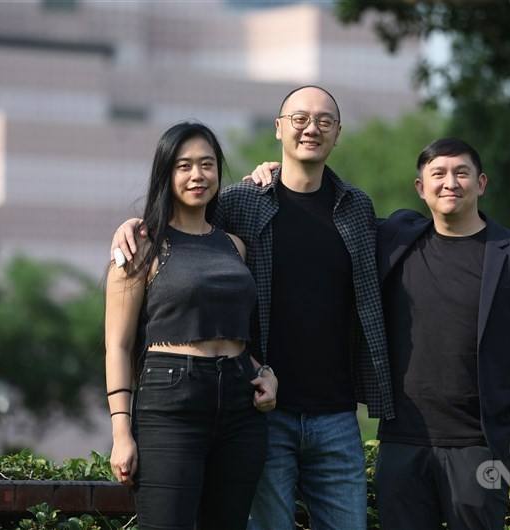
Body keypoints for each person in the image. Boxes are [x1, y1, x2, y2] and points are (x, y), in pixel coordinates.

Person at [111, 86, 394, 530]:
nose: (311, 128)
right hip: (262, 411)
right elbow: (186, 226)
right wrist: (135, 226)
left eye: (325, 120)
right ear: (278, 128)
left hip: (336, 413)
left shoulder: (356, 207)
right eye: (299, 118)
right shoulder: (243, 202)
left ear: (338, 133)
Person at [374, 138, 510, 530]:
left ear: (481, 183)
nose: (450, 183)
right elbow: (334, 206)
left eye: (461, 173)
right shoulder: (396, 240)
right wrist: (276, 171)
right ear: (420, 188)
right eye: (438, 174)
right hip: (403, 440)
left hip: (478, 443)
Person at [104, 122, 278, 530]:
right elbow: (118, 345)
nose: (197, 175)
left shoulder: (234, 246)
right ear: (166, 174)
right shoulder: (140, 248)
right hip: (170, 403)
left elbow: (240, 331)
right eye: (184, 166)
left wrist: (265, 373)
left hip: (240, 404)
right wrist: (121, 432)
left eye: (207, 164)